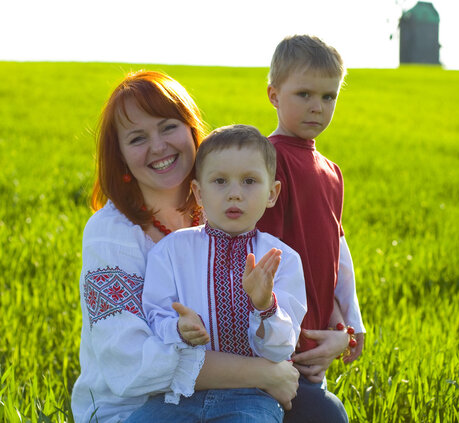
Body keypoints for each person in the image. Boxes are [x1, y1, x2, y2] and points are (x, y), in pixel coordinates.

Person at [71, 71, 299, 423]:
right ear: (120, 156)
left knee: (324, 411)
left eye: (167, 127)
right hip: (136, 407)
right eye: (137, 138)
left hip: (241, 397)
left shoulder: (225, 204)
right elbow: (129, 363)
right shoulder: (111, 233)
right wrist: (265, 374)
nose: (158, 147)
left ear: (192, 130)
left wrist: (336, 336)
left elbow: (298, 282)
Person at [139, 124, 307, 422]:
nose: (234, 194)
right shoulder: (171, 251)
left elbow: (281, 348)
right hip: (178, 395)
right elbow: (155, 316)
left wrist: (265, 306)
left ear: (272, 193)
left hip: (253, 396)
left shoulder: (282, 260)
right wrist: (179, 328)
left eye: (249, 181)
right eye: (220, 181)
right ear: (198, 192)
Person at [257, 34, 366, 423]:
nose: (317, 107)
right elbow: (256, 257)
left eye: (328, 96)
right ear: (273, 94)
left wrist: (348, 325)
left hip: (316, 344)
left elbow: (335, 255)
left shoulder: (332, 172)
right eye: (303, 94)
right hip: (272, 349)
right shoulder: (266, 162)